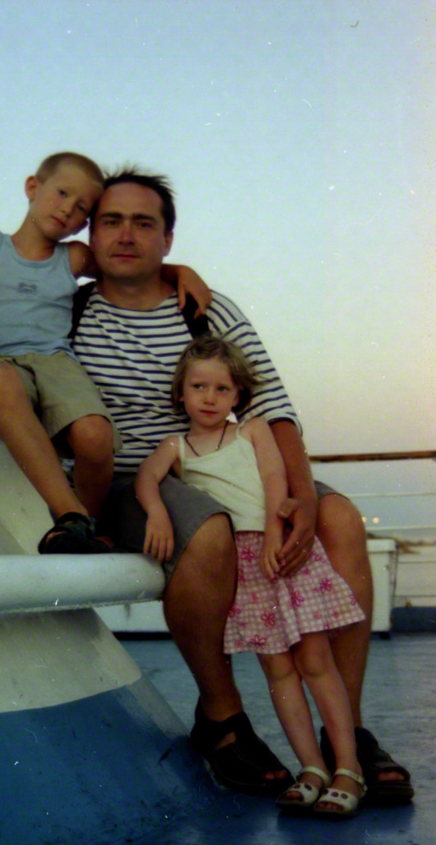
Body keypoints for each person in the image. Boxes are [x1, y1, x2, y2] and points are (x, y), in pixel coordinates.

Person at [70, 167, 414, 802]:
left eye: (144, 223)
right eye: (111, 221)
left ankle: (350, 738)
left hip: (233, 463)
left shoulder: (206, 306)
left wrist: (304, 500)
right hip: (136, 476)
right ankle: (222, 718)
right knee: (207, 531)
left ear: (168, 240)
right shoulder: (73, 309)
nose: (126, 236)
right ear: (90, 234)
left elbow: (275, 410)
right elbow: (6, 283)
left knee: (339, 521)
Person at [0, 153, 210, 555]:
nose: (68, 210)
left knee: (95, 435)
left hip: (55, 362)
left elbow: (130, 262)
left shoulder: (74, 257)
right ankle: (69, 517)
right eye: (62, 193)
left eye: (83, 209)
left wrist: (180, 270)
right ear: (32, 187)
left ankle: (82, 531)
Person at [136, 334, 369, 817]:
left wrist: (270, 532)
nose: (209, 397)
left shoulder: (252, 431)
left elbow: (273, 478)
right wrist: (156, 510)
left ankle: (348, 766)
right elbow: (144, 478)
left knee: (315, 659)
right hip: (242, 567)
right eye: (199, 386)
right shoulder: (176, 446)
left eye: (222, 389)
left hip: (277, 551)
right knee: (277, 669)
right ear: (181, 392)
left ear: (238, 396)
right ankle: (311, 767)